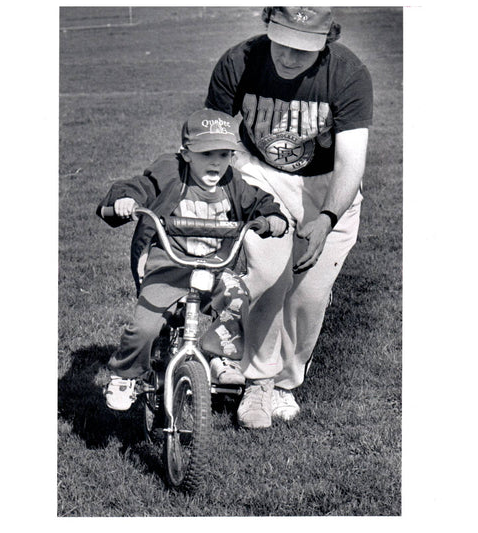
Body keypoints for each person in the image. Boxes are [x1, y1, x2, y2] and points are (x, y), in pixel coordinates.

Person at [204, 7, 373, 428]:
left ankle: (285, 382)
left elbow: (351, 163)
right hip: (261, 175)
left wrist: (327, 218)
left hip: (326, 186)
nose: (290, 56)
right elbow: (216, 134)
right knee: (269, 274)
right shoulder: (239, 60)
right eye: (283, 41)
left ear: (326, 39)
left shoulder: (349, 74)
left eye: (305, 48)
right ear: (268, 25)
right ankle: (259, 380)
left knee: (308, 296)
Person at [96, 109, 287, 411]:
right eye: (206, 153)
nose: (216, 162)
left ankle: (221, 356)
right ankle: (125, 374)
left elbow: (258, 201)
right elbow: (139, 187)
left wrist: (272, 218)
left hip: (215, 267)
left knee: (238, 303)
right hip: (169, 267)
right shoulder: (169, 172)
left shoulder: (232, 182)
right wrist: (124, 201)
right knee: (144, 328)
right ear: (186, 154)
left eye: (224, 154)